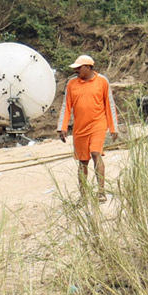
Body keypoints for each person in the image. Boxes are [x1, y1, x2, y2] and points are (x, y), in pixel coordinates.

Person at [57, 54, 119, 201]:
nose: (76, 71)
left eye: (79, 68)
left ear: (88, 67)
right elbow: (66, 106)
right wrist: (62, 127)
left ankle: (101, 192)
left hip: (98, 124)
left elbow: (109, 105)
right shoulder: (72, 84)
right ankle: (84, 196)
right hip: (80, 128)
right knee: (82, 162)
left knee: (96, 153)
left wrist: (113, 127)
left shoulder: (102, 81)